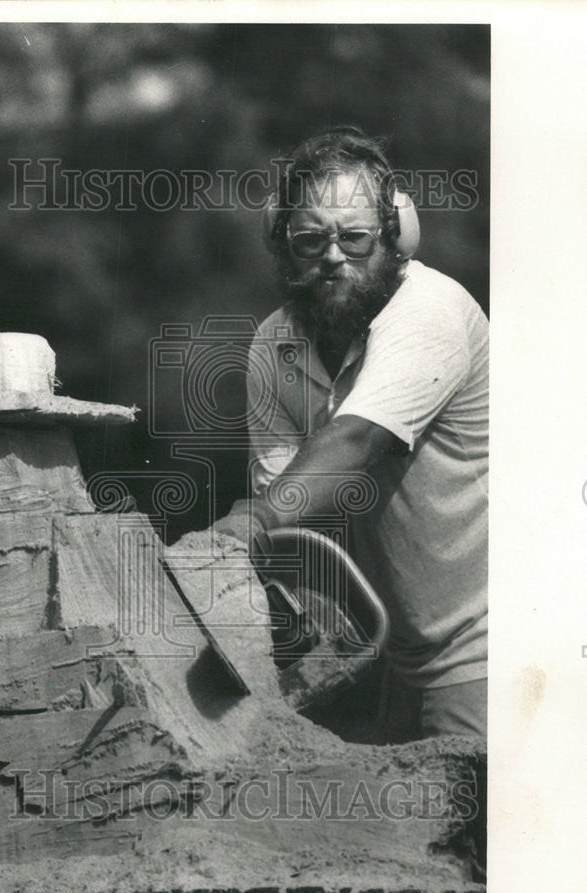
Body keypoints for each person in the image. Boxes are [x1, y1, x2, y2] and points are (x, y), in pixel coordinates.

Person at [214, 126, 489, 742]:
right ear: (283, 247)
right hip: (376, 657)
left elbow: (356, 440)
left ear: (395, 239)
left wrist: (241, 530)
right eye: (310, 239)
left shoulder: (430, 313)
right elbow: (289, 513)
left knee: (479, 830)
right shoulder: (273, 343)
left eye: (355, 237)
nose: (333, 255)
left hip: (479, 652)